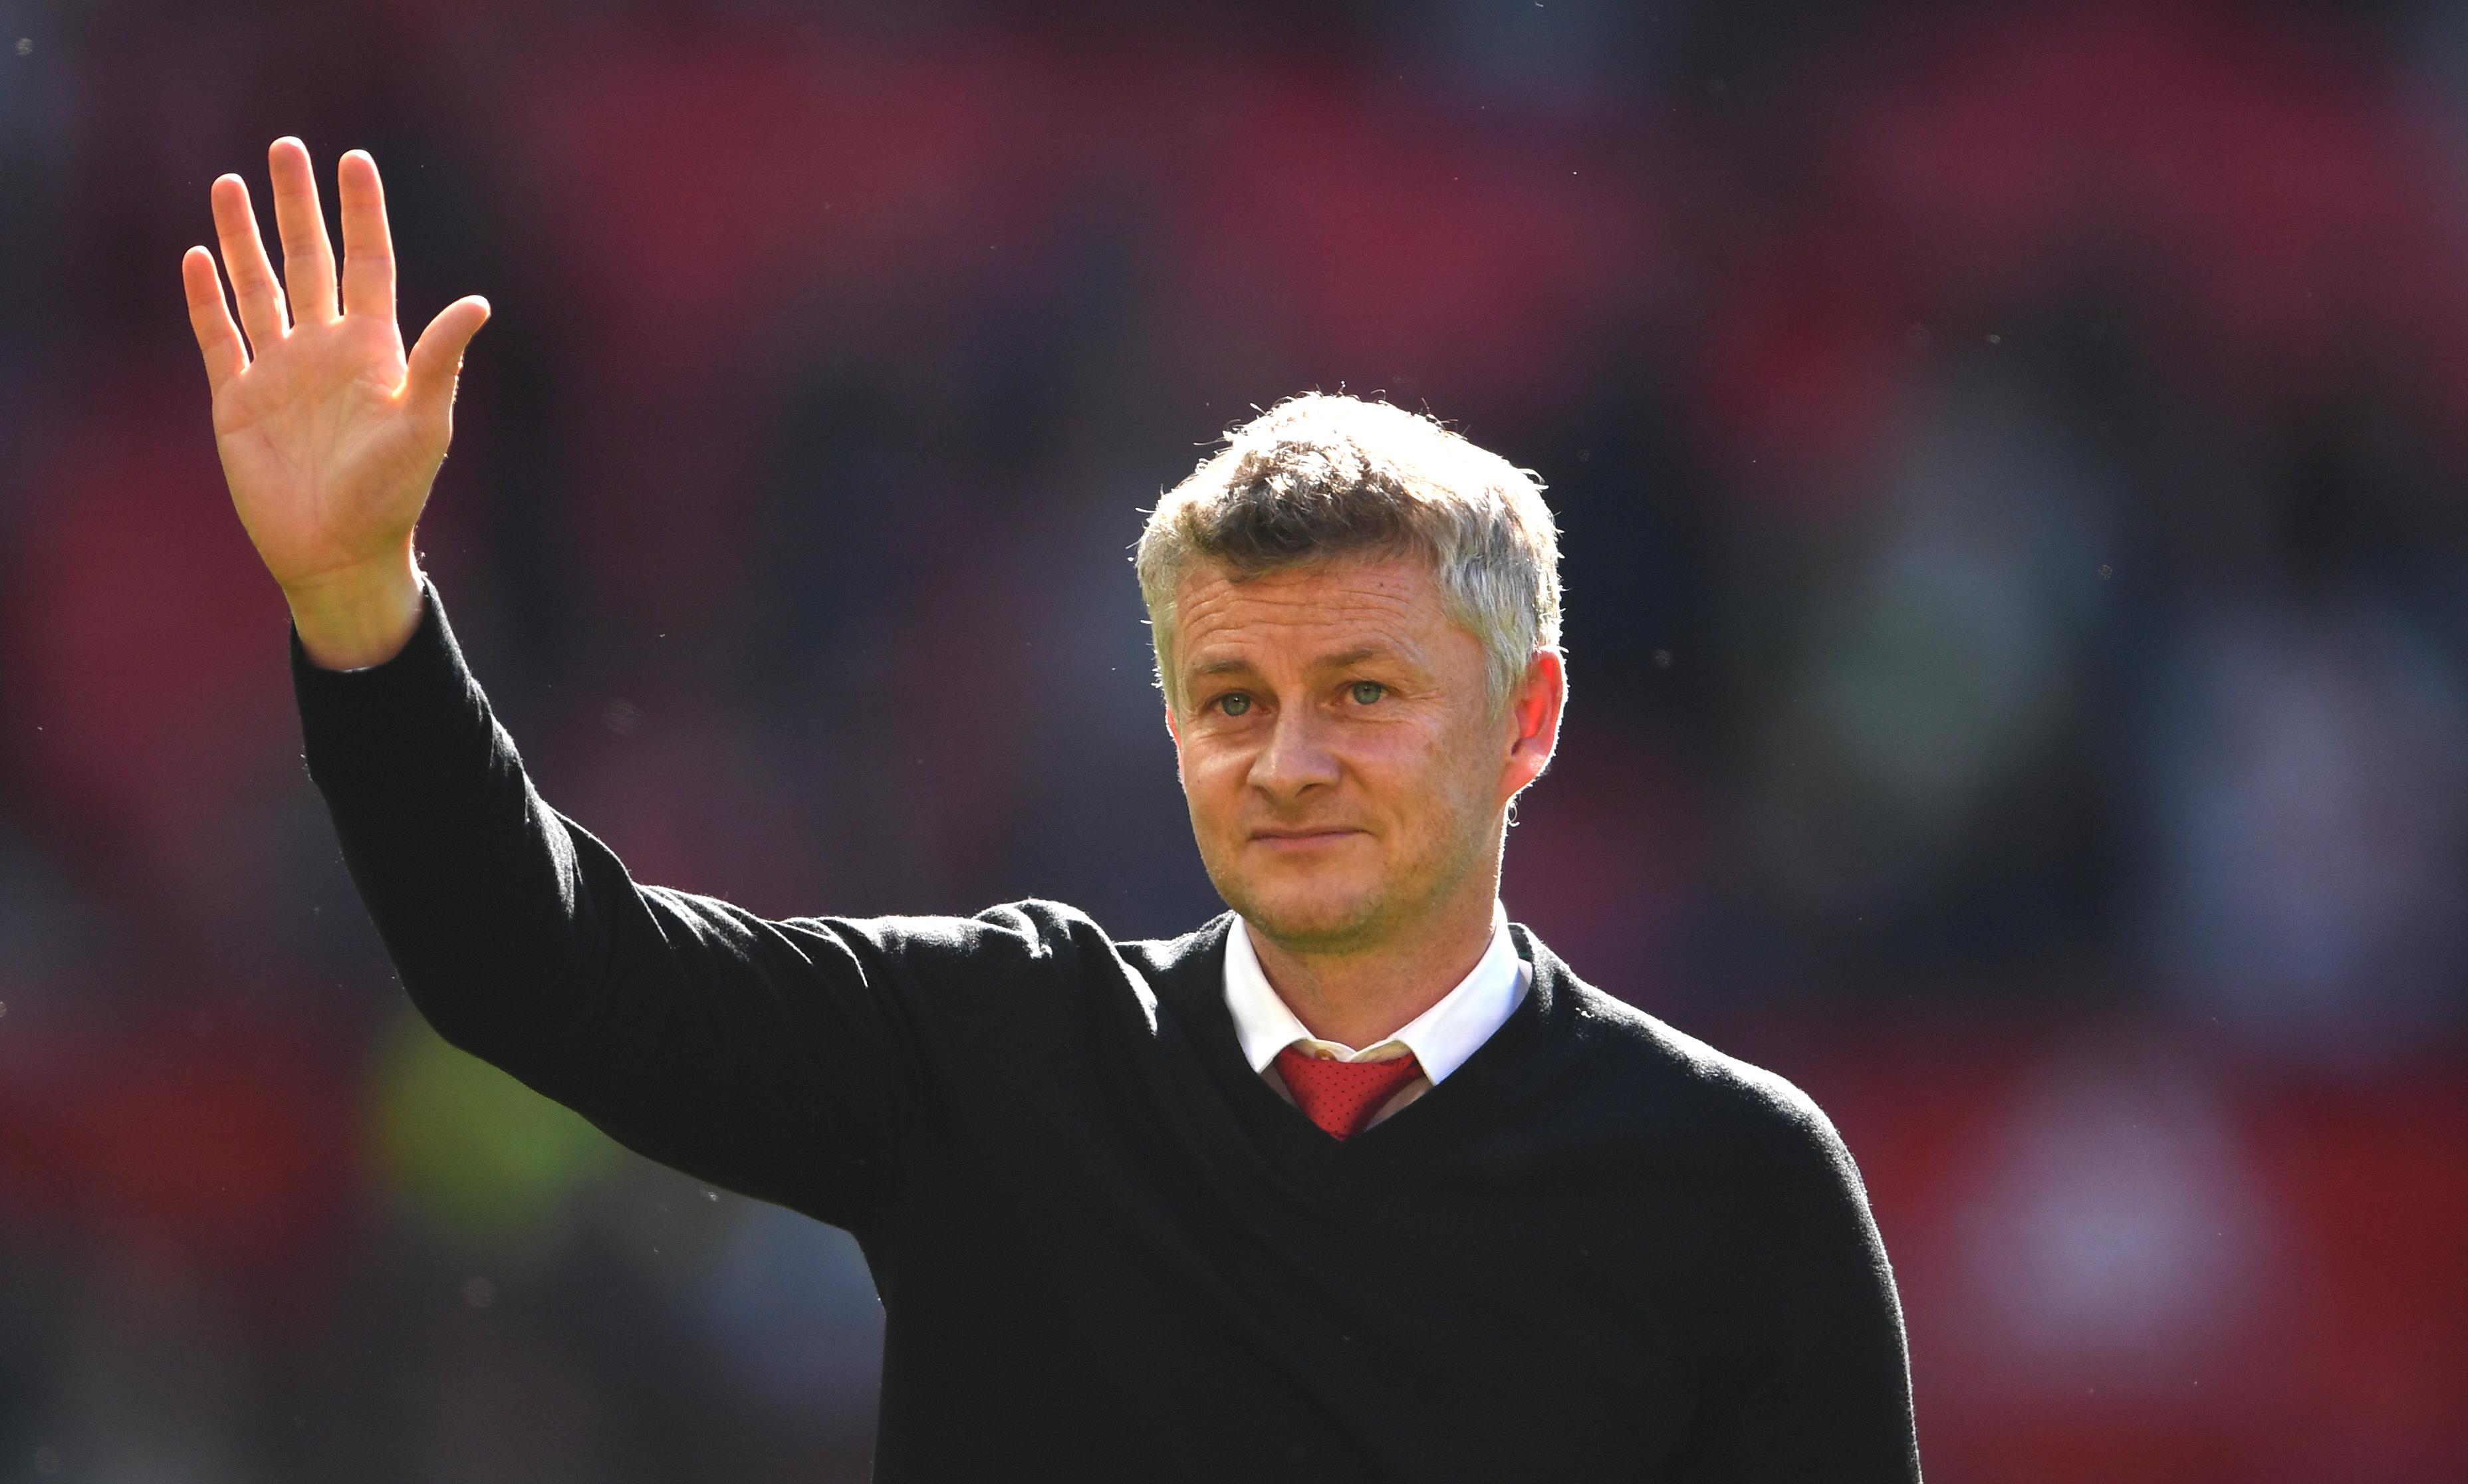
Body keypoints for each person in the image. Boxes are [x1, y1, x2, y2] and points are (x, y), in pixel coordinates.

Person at [184, 138, 1921, 1481]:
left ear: (1526, 718)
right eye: (1233, 702)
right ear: (1170, 727)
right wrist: (360, 611)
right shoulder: (1000, 1054)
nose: (1290, 759)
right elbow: (534, 970)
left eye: (1366, 697)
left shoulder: (1737, 1191)